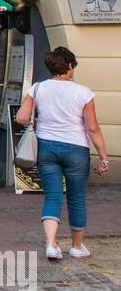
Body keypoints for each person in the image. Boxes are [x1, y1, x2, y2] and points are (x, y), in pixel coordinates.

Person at [16, 46, 109, 260]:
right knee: (76, 198)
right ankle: (77, 247)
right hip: (76, 149)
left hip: (46, 148)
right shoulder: (83, 92)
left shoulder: (37, 89)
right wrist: (103, 158)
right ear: (69, 65)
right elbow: (92, 129)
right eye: (73, 65)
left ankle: (51, 244)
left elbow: (22, 116)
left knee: (53, 196)